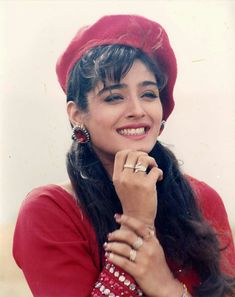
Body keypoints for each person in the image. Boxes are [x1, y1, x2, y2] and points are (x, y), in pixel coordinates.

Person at [13, 15, 235, 297]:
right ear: (77, 114)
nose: (138, 110)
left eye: (149, 94)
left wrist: (166, 288)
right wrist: (138, 223)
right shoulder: (50, 211)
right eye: (114, 97)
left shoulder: (202, 198)